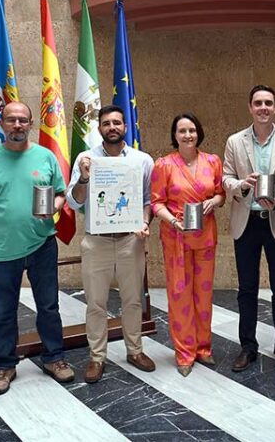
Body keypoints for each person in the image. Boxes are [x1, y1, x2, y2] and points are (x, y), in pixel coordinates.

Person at [0, 101, 74, 395]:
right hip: (3, 250)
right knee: (3, 312)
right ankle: (5, 364)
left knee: (49, 306)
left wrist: (52, 209)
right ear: (2, 124)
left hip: (42, 244)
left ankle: (54, 358)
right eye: (11, 120)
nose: (17, 125)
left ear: (31, 124)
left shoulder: (45, 157)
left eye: (23, 120)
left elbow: (60, 195)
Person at [66, 104, 155, 383]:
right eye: (106, 123)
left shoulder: (142, 160)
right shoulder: (85, 158)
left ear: (125, 127)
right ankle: (96, 357)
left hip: (131, 240)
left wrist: (145, 222)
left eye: (117, 123)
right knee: (95, 303)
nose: (112, 127)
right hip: (97, 242)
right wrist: (84, 177)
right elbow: (73, 200)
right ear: (99, 128)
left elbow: (148, 201)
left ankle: (134, 350)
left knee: (132, 300)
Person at [222, 84, 275, 372]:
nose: (263, 107)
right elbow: (225, 178)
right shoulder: (235, 141)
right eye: (258, 103)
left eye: (269, 102)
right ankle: (247, 346)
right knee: (247, 288)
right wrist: (241, 186)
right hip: (247, 223)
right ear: (250, 107)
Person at [150, 113, 225, 377]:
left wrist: (213, 202)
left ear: (199, 132)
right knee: (180, 295)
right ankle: (184, 352)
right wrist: (171, 221)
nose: (188, 135)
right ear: (175, 135)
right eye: (182, 131)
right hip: (176, 238)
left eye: (192, 130)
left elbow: (220, 193)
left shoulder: (213, 161)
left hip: (205, 236)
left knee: (203, 295)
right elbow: (156, 202)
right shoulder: (164, 165)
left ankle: (203, 348)